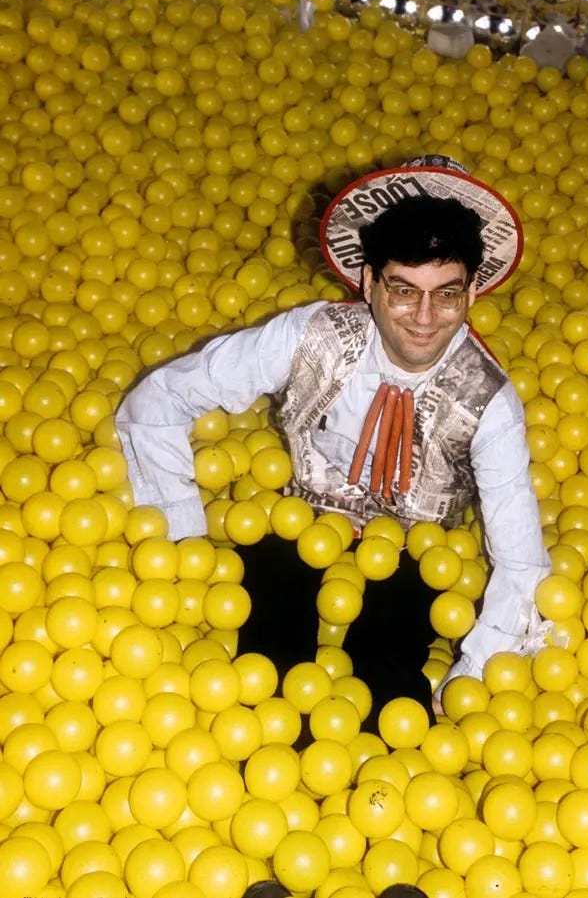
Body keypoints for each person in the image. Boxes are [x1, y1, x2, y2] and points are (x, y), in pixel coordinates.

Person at [116, 157, 551, 898]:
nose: (424, 318)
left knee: (391, 686)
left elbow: (521, 561)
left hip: (413, 550)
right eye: (403, 290)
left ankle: (384, 867)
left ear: (473, 291)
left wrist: (473, 668)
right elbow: (158, 402)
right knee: (265, 662)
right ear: (368, 282)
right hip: (297, 521)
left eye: (446, 295)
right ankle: (268, 859)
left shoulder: (488, 401)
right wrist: (185, 540)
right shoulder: (310, 336)